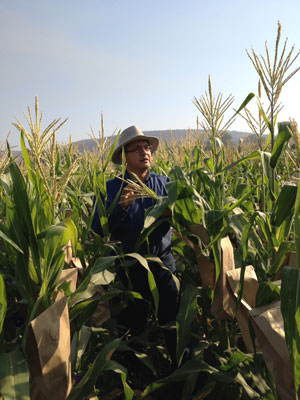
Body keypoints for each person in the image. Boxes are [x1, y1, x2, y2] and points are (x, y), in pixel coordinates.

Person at [92, 125, 179, 363]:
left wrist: (175, 214)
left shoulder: (165, 184)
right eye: (137, 148)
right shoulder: (111, 189)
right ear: (124, 156)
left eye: (147, 147)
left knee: (173, 321)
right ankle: (132, 370)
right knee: (132, 325)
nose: (145, 152)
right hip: (130, 271)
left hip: (164, 266)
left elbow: (187, 218)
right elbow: (96, 229)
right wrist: (119, 208)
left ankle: (178, 364)